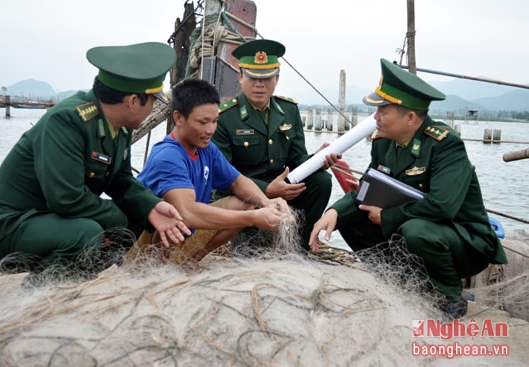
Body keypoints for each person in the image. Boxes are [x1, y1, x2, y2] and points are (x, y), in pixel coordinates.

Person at [309, 58, 508, 319]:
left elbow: (443, 206)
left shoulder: (445, 145)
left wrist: (387, 217)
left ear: (410, 117)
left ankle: (449, 295)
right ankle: (400, 280)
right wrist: (333, 213)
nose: (376, 117)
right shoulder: (383, 142)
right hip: (416, 231)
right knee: (349, 219)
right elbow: (367, 190)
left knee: (415, 230)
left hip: (463, 240)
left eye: (383, 110)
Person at [0, 42, 191, 286]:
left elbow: (121, 181)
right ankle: (37, 295)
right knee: (87, 233)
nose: (154, 107)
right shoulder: (67, 120)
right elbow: (66, 198)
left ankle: (72, 282)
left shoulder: (118, 128)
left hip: (46, 221)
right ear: (133, 101)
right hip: (3, 228)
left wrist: (152, 207)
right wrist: (116, 219)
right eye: (152, 101)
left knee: (135, 216)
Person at [128, 78, 291, 264]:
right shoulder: (168, 156)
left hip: (184, 236)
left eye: (214, 121)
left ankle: (189, 262)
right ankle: (155, 270)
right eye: (203, 122)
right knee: (173, 218)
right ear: (178, 118)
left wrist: (266, 203)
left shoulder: (206, 148)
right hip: (143, 248)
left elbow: (238, 182)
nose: (210, 130)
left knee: (244, 203)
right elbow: (188, 212)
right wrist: (252, 218)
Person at [212, 39, 340, 252]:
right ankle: (248, 241)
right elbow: (221, 176)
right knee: (251, 254)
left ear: (277, 78)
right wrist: (267, 190)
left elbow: (297, 160)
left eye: (267, 78)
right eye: (253, 77)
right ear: (240, 76)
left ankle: (298, 249)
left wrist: (317, 160)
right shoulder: (225, 118)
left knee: (321, 181)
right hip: (242, 192)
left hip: (283, 186)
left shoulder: (288, 110)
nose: (260, 84)